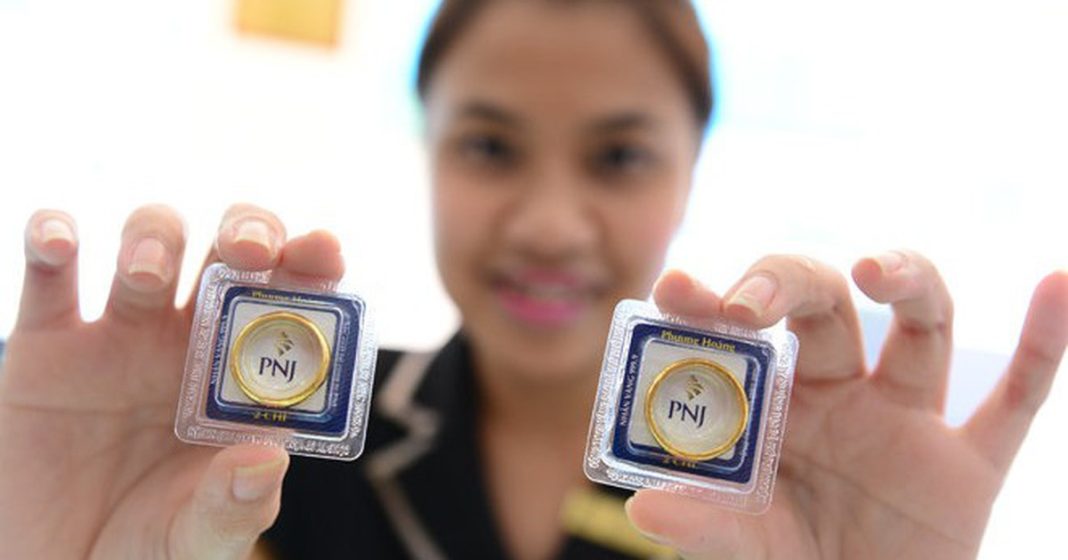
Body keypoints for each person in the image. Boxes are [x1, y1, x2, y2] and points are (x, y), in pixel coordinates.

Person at [1, 0, 1066, 558]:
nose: (550, 223)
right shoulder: (250, 457)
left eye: (619, 156)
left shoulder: (785, 509)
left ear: (694, 173)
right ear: (426, 150)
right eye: (490, 146)